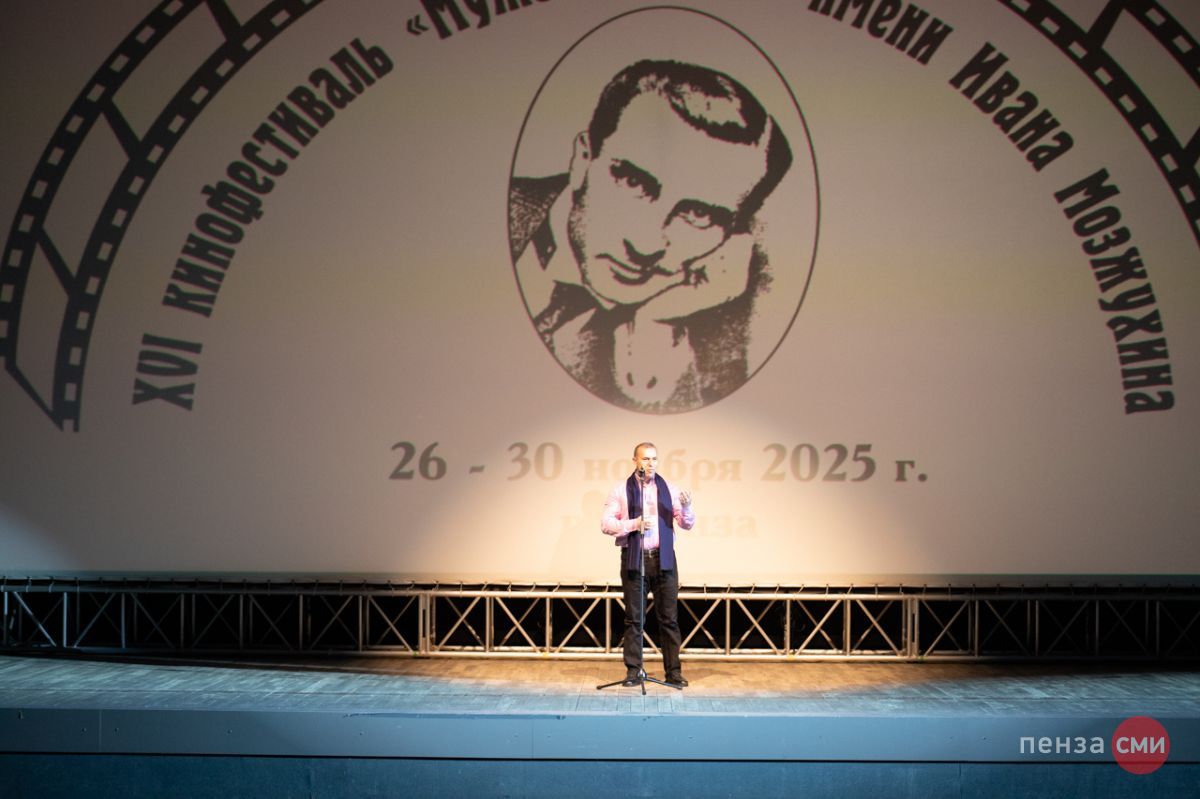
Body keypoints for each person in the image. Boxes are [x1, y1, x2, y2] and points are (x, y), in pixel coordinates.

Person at [510, 59, 794, 412]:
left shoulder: (739, 330)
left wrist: (657, 323)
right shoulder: (481, 214)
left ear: (732, 234)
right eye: (633, 182)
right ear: (583, 159)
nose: (647, 246)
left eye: (699, 215)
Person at [601, 441, 695, 687]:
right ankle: (634, 672)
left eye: (654, 459)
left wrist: (686, 507)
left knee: (669, 619)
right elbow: (605, 524)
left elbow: (686, 524)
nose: (650, 463)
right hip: (635, 559)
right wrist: (633, 524)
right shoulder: (621, 490)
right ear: (635, 460)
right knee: (634, 619)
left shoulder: (669, 489)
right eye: (645, 458)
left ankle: (673, 672)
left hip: (664, 559)